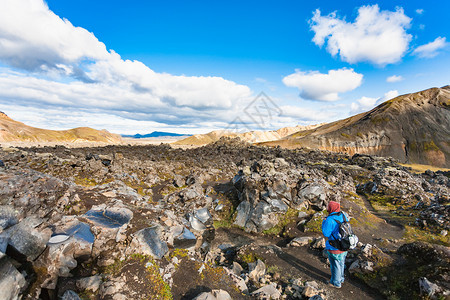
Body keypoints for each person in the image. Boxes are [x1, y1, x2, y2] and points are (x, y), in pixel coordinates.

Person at [321, 201, 348, 288]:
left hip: (335, 246)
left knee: (335, 264)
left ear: (331, 208)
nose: (327, 208)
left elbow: (326, 233)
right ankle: (341, 278)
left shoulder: (329, 220)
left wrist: (323, 222)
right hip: (345, 244)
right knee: (341, 263)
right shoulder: (343, 215)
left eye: (328, 206)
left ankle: (336, 283)